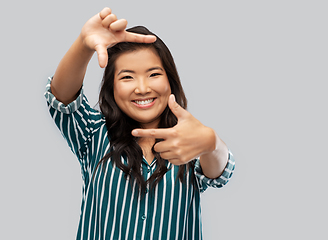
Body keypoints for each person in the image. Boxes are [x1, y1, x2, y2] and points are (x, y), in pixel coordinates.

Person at [44, 7, 235, 240]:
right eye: (127, 77)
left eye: (154, 74)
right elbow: (61, 99)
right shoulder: (93, 134)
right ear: (111, 88)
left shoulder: (189, 142)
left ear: (170, 81)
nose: (142, 88)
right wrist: (83, 45)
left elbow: (220, 172)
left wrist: (211, 143)